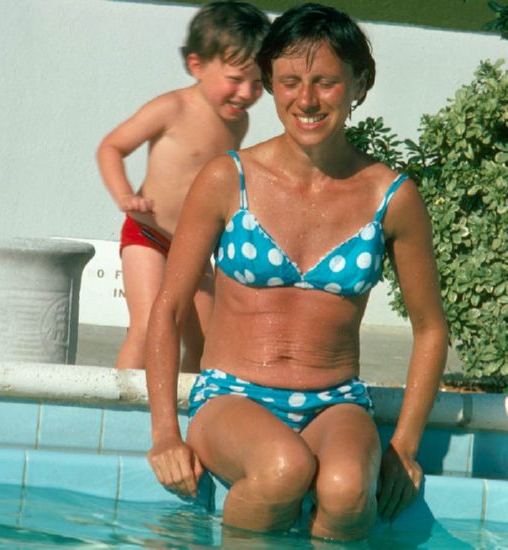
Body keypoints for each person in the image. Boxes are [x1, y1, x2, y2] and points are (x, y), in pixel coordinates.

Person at [146, 2, 448, 542]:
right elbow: (167, 308)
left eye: (326, 82)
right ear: (270, 84)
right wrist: (166, 433)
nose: (305, 100)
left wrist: (403, 445)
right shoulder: (226, 180)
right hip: (232, 395)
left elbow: (430, 329)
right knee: (281, 468)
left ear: (359, 84)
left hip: (335, 401)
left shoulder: (393, 197)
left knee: (350, 487)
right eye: (289, 82)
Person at [97, 2, 270, 371]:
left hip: (193, 247)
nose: (246, 93)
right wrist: (125, 196)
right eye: (236, 79)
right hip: (149, 236)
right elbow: (111, 147)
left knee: (206, 343)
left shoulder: (237, 123)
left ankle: (186, 408)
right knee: (148, 328)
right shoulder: (171, 108)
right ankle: (114, 412)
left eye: (257, 83)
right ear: (197, 66)